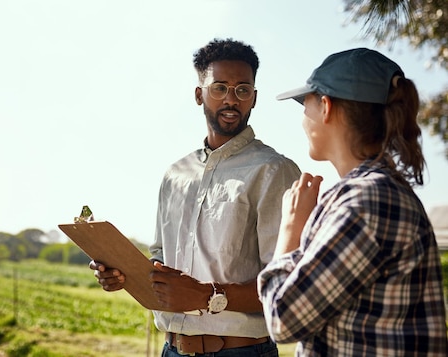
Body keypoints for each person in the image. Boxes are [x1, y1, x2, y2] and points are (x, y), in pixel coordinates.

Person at [90, 38, 301, 356]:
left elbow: (286, 283)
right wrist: (124, 273)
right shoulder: (176, 173)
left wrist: (208, 295)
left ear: (254, 98)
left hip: (241, 352)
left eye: (242, 90)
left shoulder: (274, 171)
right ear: (199, 94)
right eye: (219, 88)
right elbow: (161, 256)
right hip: (171, 349)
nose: (232, 100)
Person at [257, 48, 448, 356]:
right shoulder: (374, 194)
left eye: (304, 102)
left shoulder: (367, 202)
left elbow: (283, 320)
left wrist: (290, 230)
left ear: (326, 106)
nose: (303, 117)